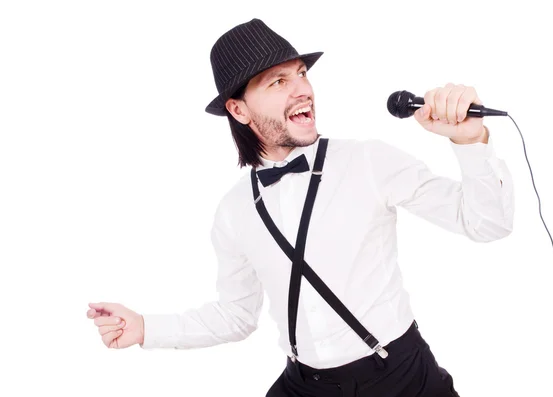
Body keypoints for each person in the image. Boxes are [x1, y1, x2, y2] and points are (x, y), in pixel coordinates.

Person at [87, 18, 514, 396]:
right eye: (278, 81)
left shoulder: (368, 161)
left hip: (401, 377)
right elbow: (236, 315)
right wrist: (147, 328)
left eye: (301, 73)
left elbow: (486, 224)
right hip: (306, 386)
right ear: (238, 109)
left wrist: (470, 141)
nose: (303, 89)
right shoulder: (233, 211)